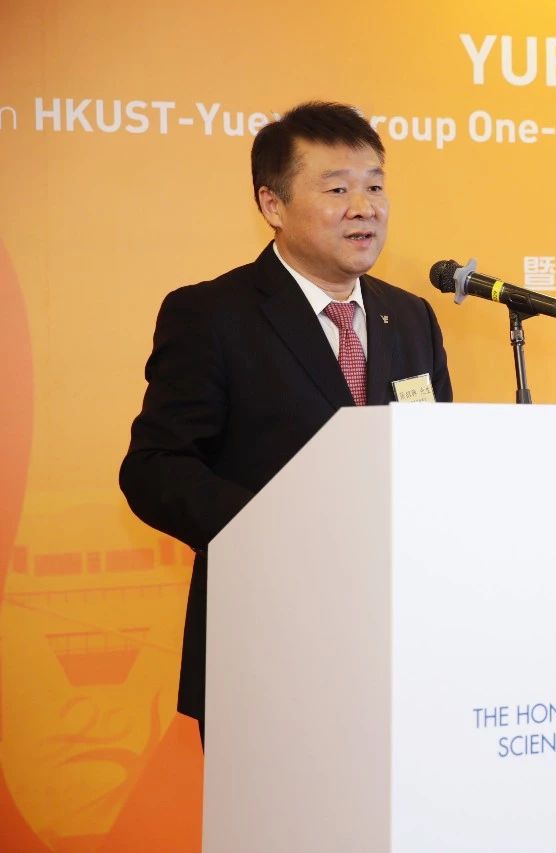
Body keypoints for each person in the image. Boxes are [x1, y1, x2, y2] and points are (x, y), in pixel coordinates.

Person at [120, 102, 452, 745]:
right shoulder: (212, 315)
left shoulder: (411, 317)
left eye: (375, 186)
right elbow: (155, 469)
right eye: (337, 190)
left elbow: (433, 462)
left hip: (399, 646)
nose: (364, 208)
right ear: (272, 204)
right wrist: (275, 530)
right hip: (265, 644)